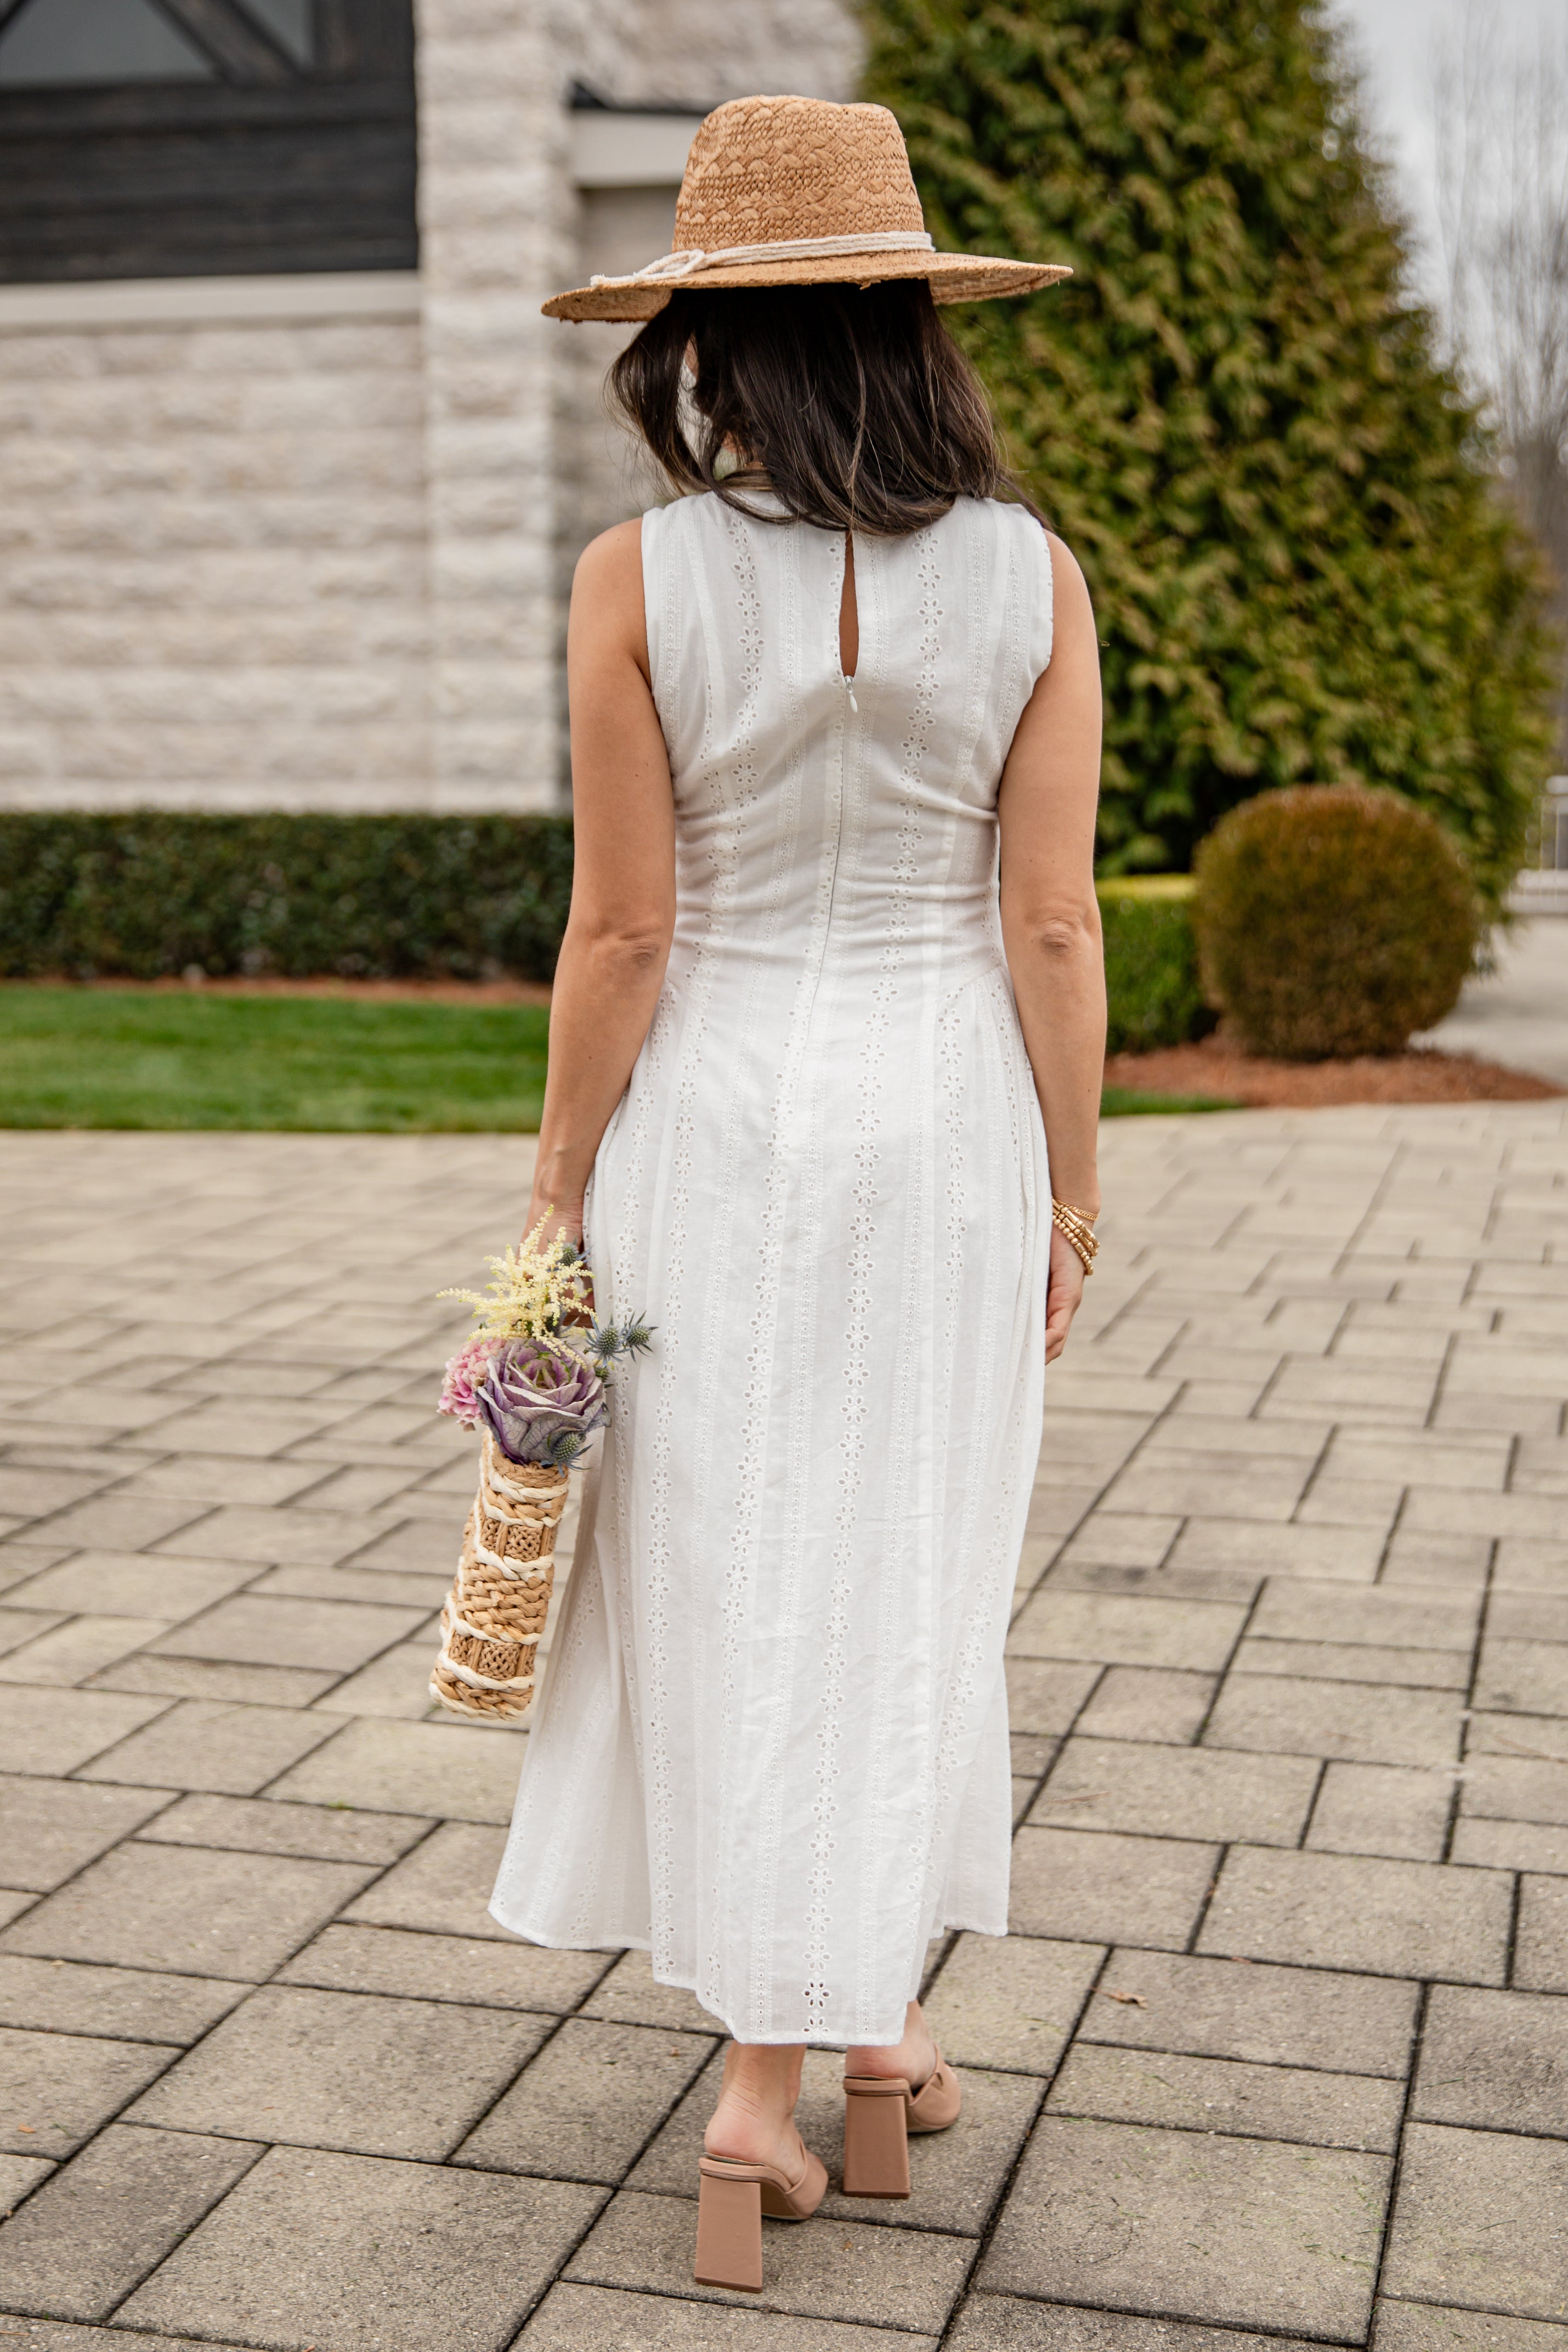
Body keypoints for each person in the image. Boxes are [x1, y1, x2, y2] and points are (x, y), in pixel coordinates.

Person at [489, 93, 1105, 2292]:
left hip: (718, 1128)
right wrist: (1074, 1183)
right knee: (907, 1563)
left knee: (737, 1566)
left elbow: (625, 935)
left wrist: (558, 1189)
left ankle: (803, 2061)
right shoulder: (1031, 579)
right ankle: (831, 2051)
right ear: (918, 328)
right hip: (948, 1124)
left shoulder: (633, 578)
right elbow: (1049, 926)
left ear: (710, 346)